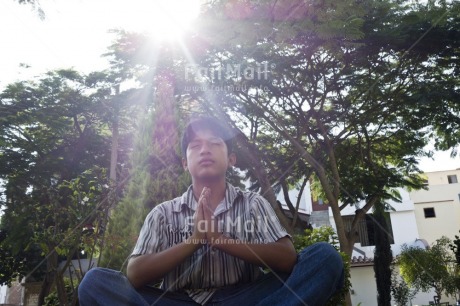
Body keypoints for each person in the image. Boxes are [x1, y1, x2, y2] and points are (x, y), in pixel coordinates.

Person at [78, 116, 344, 306]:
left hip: (246, 297)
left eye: (215, 143)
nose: (204, 150)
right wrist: (194, 241)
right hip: (178, 300)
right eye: (195, 146)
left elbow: (287, 259)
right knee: (95, 282)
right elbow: (135, 275)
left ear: (231, 159)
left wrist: (220, 241)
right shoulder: (162, 214)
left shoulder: (253, 204)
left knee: (324, 257)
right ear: (185, 163)